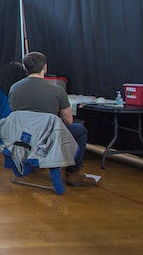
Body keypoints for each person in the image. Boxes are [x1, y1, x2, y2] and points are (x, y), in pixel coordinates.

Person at [8, 52, 97, 187]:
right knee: (79, 129)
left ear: (25, 68)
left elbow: (15, 114)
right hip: (47, 138)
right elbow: (69, 121)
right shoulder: (57, 91)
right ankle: (73, 173)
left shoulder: (14, 88)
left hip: (22, 137)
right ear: (45, 67)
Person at [0, 61, 27, 145]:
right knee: (4, 116)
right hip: (1, 90)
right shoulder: (20, 70)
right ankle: (2, 141)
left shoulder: (4, 67)